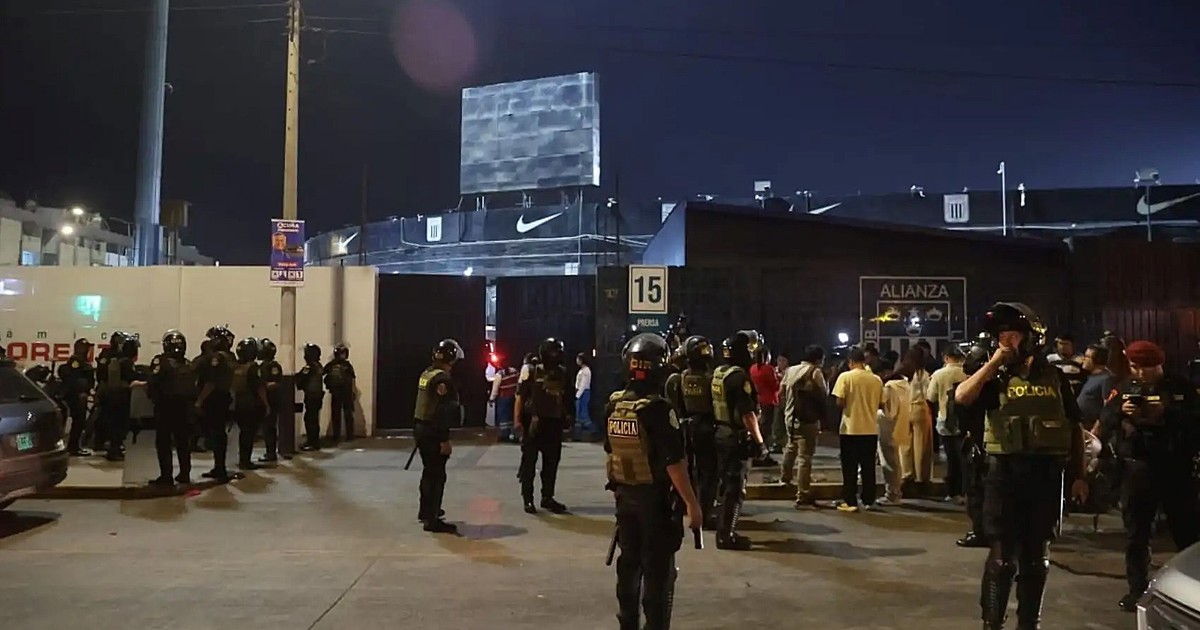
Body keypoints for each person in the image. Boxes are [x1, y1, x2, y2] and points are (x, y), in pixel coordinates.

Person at [954, 302, 1088, 630]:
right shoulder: (994, 378)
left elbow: (1074, 428)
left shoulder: (1054, 377)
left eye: (1013, 336)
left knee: (1036, 559)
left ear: (1030, 338)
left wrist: (1080, 475)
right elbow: (962, 397)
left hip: (1046, 475)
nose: (1007, 342)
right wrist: (993, 363)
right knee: (1001, 559)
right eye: (1002, 337)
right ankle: (992, 624)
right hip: (1003, 473)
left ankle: (1029, 623)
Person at [604, 332, 703, 630]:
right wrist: (692, 504)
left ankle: (628, 624)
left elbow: (612, 452)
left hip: (625, 498)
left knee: (629, 564)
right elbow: (674, 463)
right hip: (655, 502)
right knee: (658, 572)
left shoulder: (614, 405)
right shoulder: (659, 409)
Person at [1100, 340, 1200, 612]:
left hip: (1175, 468)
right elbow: (1105, 420)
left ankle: (1192, 589)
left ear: (1159, 364)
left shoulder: (1181, 388)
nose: (1140, 373)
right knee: (1136, 534)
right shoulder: (1124, 387)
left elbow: (1196, 421)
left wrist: (1166, 413)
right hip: (1138, 468)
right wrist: (1121, 411)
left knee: (1187, 532)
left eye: (1146, 367)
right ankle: (1137, 590)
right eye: (1134, 367)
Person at [711, 330, 772, 549]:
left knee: (724, 486)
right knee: (735, 489)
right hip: (735, 438)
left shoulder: (719, 372)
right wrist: (760, 443)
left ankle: (723, 530)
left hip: (720, 434)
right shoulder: (739, 377)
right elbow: (747, 414)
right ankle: (727, 535)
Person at [515, 337, 571, 514]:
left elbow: (566, 397)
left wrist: (568, 418)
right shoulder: (531, 370)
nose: (556, 355)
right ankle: (528, 499)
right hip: (533, 423)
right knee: (529, 464)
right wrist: (517, 420)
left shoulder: (562, 372)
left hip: (553, 423)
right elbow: (520, 396)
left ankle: (547, 497)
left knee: (551, 464)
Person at [413, 338, 463, 534]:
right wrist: (444, 440)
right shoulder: (443, 379)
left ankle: (425, 510)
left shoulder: (427, 373)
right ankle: (432, 519)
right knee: (436, 475)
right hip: (433, 431)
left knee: (428, 471)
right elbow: (444, 412)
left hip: (420, 427)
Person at [669, 335, 720, 528]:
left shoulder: (678, 379)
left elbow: (675, 406)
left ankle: (681, 506)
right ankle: (705, 512)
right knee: (708, 473)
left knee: (686, 469)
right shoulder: (711, 378)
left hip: (684, 428)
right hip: (706, 428)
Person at [832, 346, 884, 512]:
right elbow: (881, 403)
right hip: (870, 429)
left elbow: (839, 401)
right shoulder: (876, 380)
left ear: (851, 362)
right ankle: (869, 499)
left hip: (850, 429)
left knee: (850, 467)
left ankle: (850, 501)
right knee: (868, 467)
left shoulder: (845, 377)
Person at [956, 334, 993, 548]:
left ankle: (982, 531)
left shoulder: (982, 388)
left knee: (977, 490)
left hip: (982, 443)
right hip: (982, 442)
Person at [780, 344, 827, 508]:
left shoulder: (790, 370)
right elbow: (823, 394)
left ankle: (785, 479)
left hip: (790, 417)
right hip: (807, 419)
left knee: (791, 446)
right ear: (818, 359)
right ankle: (803, 493)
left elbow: (781, 392)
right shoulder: (815, 372)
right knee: (805, 457)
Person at [147, 330, 196, 485]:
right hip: (185, 408)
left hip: (165, 407)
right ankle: (185, 473)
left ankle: (166, 476)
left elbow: (152, 382)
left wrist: (153, 397)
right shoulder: (188, 364)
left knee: (164, 442)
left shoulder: (160, 361)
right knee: (183, 442)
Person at [196, 327, 238, 482]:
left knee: (216, 433)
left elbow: (211, 382)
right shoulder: (230, 357)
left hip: (215, 399)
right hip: (224, 398)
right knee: (219, 433)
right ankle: (219, 466)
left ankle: (219, 468)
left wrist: (200, 400)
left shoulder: (218, 358)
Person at [928, 345, 968, 502]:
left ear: (946, 358)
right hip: (965, 420)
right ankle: (966, 490)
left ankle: (953, 492)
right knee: (965, 457)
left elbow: (931, 396)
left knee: (952, 458)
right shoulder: (967, 372)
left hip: (945, 420)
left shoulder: (939, 374)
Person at [898, 347, 933, 494]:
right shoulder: (923, 374)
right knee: (921, 445)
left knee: (905, 445)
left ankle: (907, 474)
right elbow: (928, 394)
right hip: (920, 408)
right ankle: (921, 477)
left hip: (904, 408)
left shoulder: (902, 372)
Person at [101, 334, 142, 462]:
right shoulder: (126, 362)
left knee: (114, 424)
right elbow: (131, 377)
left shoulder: (116, 360)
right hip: (121, 397)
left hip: (113, 396)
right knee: (120, 425)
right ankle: (115, 450)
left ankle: (114, 449)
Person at [231, 338, 269, 471]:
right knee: (249, 433)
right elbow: (259, 388)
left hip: (239, 403)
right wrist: (266, 404)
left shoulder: (236, 367)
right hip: (251, 404)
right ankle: (245, 461)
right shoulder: (253, 368)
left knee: (243, 433)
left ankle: (243, 459)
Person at [876, 358, 909, 506]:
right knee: (895, 461)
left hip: (888, 429)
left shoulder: (889, 387)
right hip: (901, 426)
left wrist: (875, 412)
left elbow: (889, 412)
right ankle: (895, 492)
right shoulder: (905, 384)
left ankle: (892, 494)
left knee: (889, 462)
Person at [57, 338, 95, 456]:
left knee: (79, 422)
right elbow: (73, 380)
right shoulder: (77, 362)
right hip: (76, 396)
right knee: (78, 422)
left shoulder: (82, 362)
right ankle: (73, 447)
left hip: (78, 396)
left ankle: (74, 446)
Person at [93, 331, 128, 454]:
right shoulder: (109, 353)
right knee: (107, 417)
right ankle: (102, 442)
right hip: (109, 389)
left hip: (110, 389)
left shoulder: (118, 354)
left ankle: (104, 442)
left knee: (106, 417)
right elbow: (101, 371)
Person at [257, 338, 285, 463]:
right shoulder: (262, 365)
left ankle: (271, 453)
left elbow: (276, 382)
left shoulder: (273, 366)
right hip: (264, 399)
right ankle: (269, 451)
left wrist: (263, 386)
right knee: (266, 428)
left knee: (269, 427)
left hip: (271, 400)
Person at [749, 347, 781, 456]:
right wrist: (779, 378)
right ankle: (762, 450)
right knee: (766, 427)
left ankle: (757, 447)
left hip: (757, 399)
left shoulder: (753, 368)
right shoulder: (768, 369)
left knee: (759, 424)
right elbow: (775, 385)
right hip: (769, 400)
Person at [1075, 344, 1112, 435]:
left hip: (1093, 427)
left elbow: (1107, 405)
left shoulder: (1106, 379)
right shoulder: (1091, 377)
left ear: (1097, 360)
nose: (1083, 359)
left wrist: (1097, 426)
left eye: (1087, 357)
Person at [323, 344, 357, 442]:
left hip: (344, 392)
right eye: (342, 353)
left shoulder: (346, 365)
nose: (343, 355)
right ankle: (338, 435)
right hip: (337, 392)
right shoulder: (333, 365)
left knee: (346, 414)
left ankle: (348, 435)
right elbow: (322, 373)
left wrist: (353, 391)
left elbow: (352, 379)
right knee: (337, 414)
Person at [297, 343, 325, 452]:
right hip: (317, 396)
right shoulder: (318, 366)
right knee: (313, 419)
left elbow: (300, 379)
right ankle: (314, 441)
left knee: (310, 419)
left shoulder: (310, 367)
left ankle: (312, 442)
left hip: (312, 396)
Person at [490, 359, 520, 443]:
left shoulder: (499, 374)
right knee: (512, 416)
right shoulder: (515, 371)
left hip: (503, 398)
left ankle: (504, 435)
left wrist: (492, 398)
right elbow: (518, 383)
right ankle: (514, 435)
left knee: (504, 417)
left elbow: (495, 388)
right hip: (514, 397)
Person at [574, 352, 595, 439]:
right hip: (580, 392)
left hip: (583, 393)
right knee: (579, 414)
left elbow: (583, 384)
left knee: (583, 413)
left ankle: (594, 430)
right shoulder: (582, 370)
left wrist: (578, 395)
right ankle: (578, 434)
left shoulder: (586, 371)